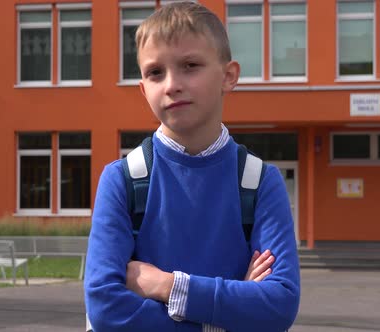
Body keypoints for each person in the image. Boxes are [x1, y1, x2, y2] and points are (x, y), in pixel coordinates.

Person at [84, 2, 300, 331]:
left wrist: (166, 286)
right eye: (155, 72)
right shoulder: (122, 179)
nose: (171, 84)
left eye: (190, 65)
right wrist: (228, 315)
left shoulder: (259, 183)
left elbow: (279, 305)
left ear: (229, 76)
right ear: (143, 90)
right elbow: (104, 308)